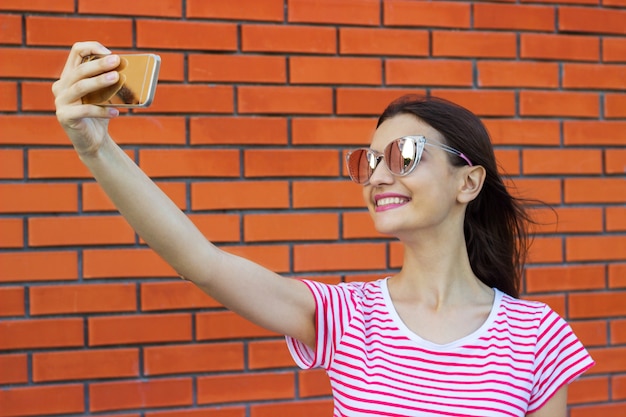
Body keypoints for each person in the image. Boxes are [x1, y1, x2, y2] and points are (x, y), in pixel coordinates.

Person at [53, 42, 594, 417]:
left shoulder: (537, 335)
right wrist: (96, 147)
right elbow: (202, 261)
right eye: (368, 160)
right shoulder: (347, 317)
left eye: (404, 155)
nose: (378, 175)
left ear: (468, 182)